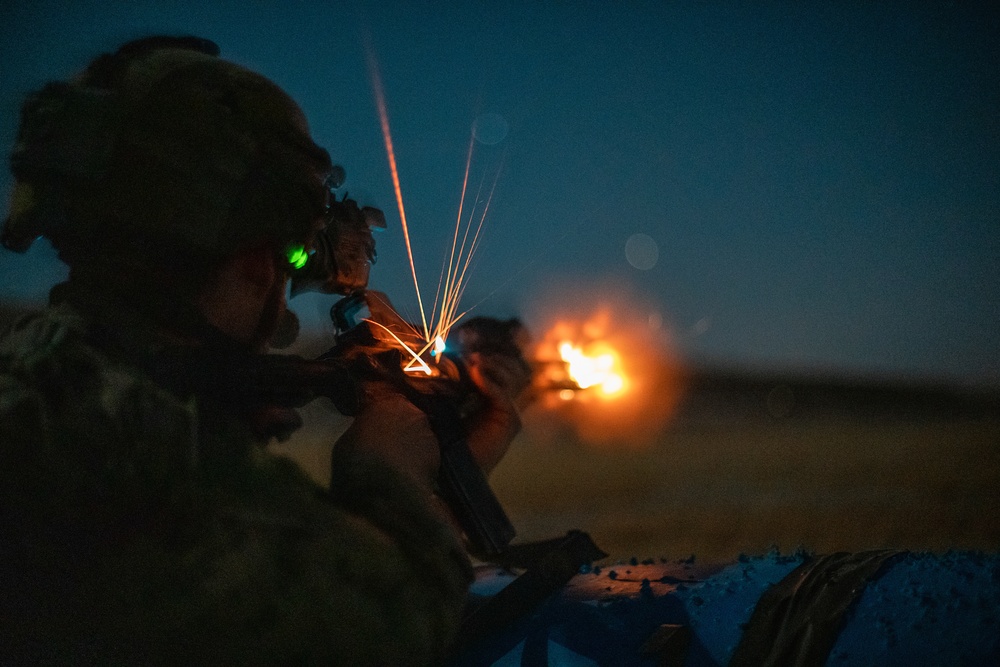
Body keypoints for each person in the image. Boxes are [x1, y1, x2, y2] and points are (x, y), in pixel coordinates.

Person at [0, 36, 527, 664]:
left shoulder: (43, 372)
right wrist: (394, 469)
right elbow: (385, 625)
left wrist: (291, 381)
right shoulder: (137, 470)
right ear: (254, 267)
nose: (286, 289)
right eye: (287, 260)